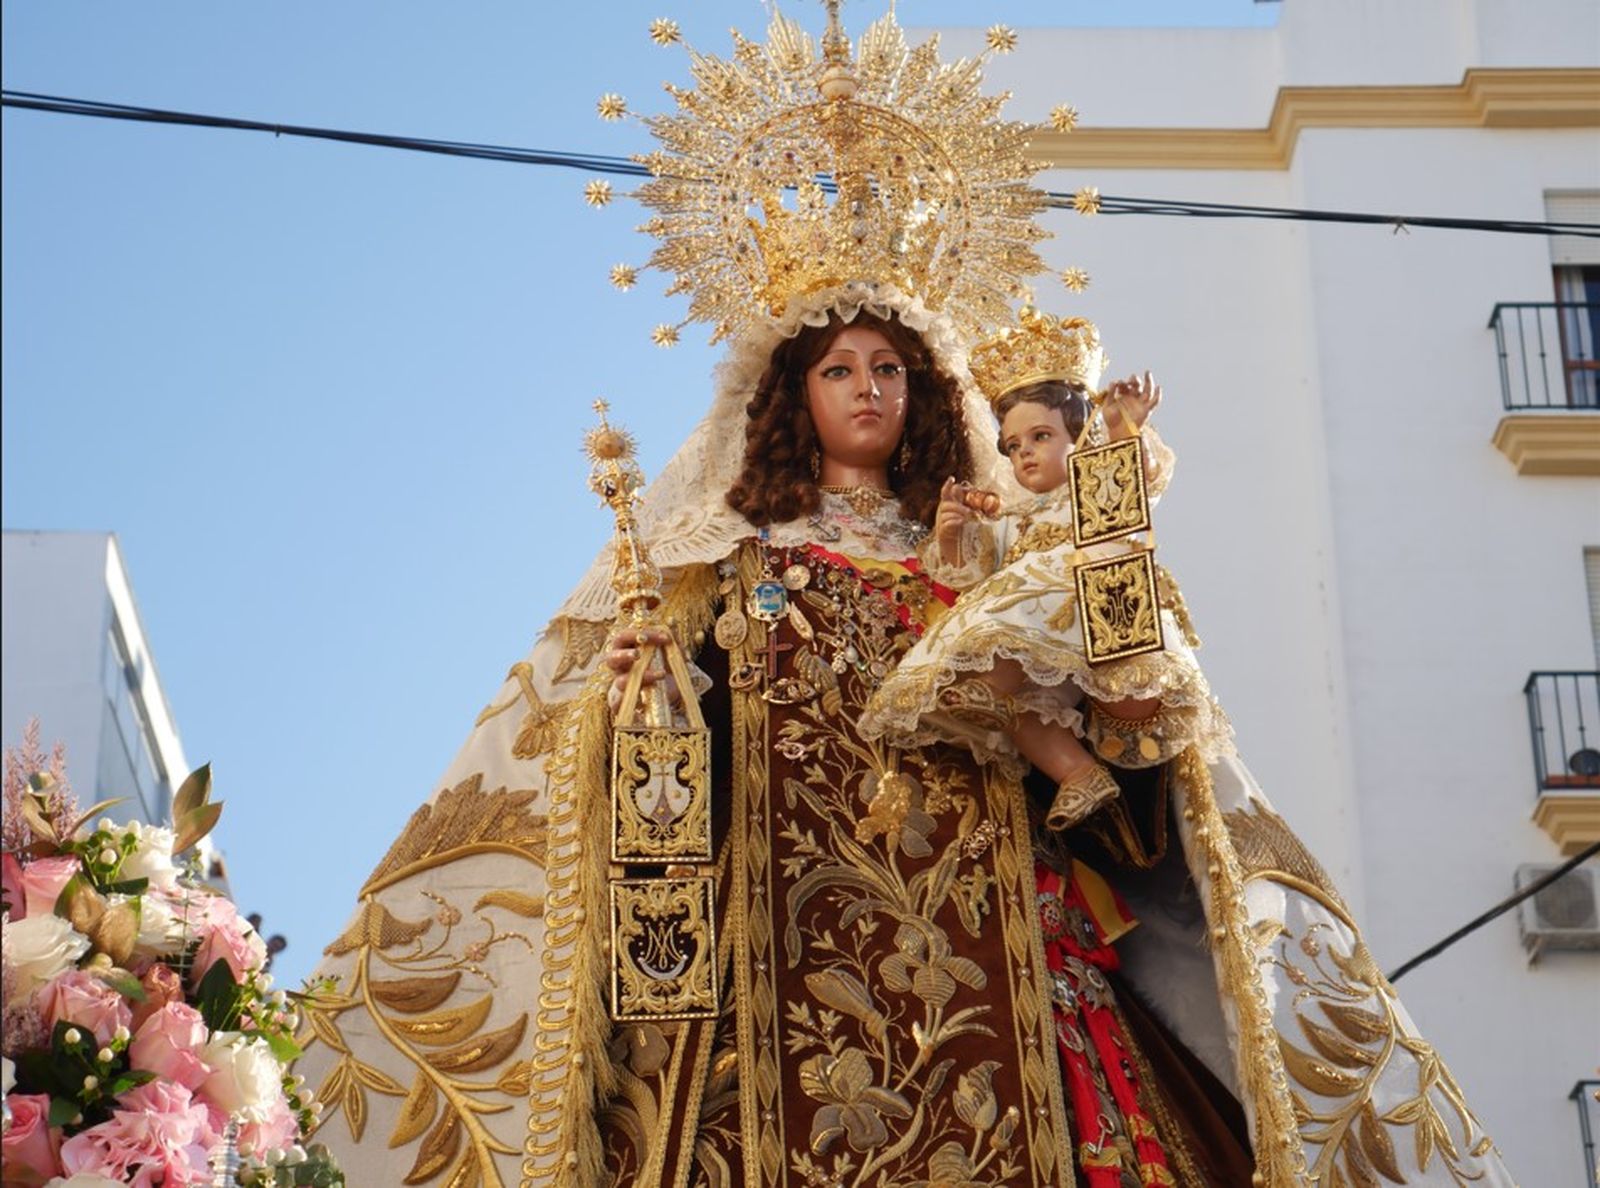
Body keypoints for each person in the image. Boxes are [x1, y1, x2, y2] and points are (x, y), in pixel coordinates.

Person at [291, 10, 1516, 1187]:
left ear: (926, 390)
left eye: (888, 368)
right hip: (774, 974)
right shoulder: (722, 556)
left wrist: (1109, 685)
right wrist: (641, 710)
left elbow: (1130, 769)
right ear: (790, 392)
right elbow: (641, 783)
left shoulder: (992, 555)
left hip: (1011, 958)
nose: (866, 389)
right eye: (838, 368)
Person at [860, 311, 1231, 836]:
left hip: (1097, 610)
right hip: (1041, 650)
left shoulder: (1091, 484)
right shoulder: (1012, 519)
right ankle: (1078, 774)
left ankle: (1003, 688)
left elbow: (1128, 488)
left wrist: (1124, 427)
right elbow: (970, 573)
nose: (1025, 453)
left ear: (1079, 438)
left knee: (1002, 637)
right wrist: (951, 532)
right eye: (1013, 447)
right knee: (1023, 710)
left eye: (1039, 436)